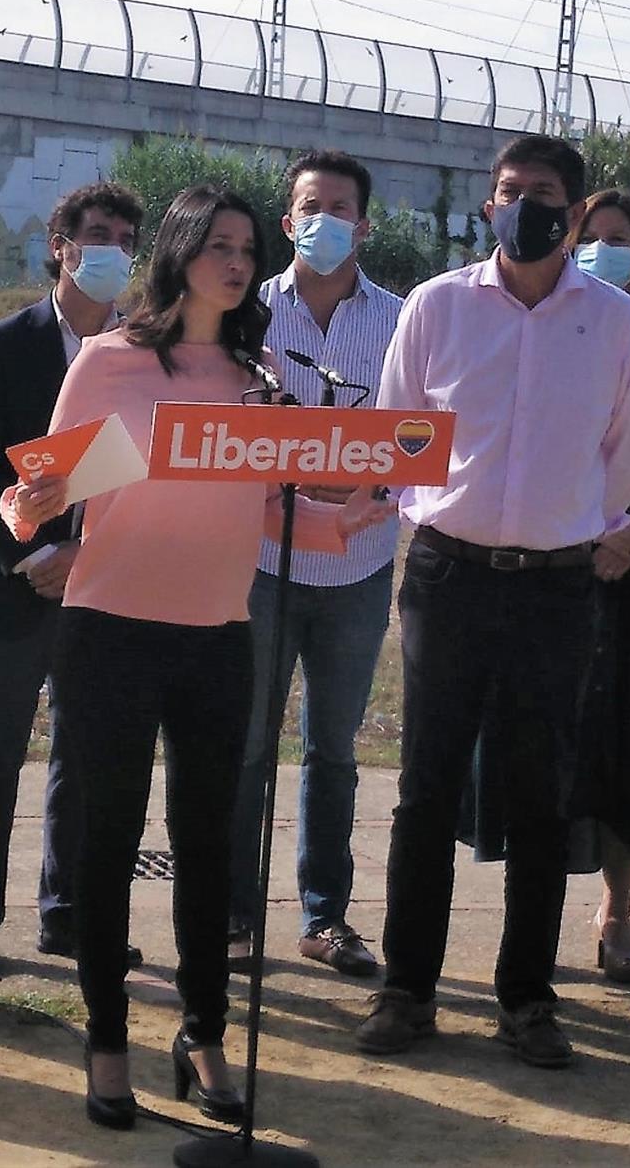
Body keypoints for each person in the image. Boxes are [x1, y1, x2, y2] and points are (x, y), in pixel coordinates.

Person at [1, 186, 393, 1131]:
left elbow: (262, 510)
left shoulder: (257, 380)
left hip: (219, 633)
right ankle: (104, 1036)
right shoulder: (108, 360)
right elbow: (40, 491)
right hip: (110, 630)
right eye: (219, 245)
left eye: (248, 250)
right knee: (108, 838)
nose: (236, 262)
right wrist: (38, 505)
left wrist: (337, 519)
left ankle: (204, 1033)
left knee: (211, 845)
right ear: (179, 253)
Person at [361, 134, 630, 1069]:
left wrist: (573, 523)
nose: (521, 204)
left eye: (542, 194)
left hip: (557, 587)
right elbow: (398, 428)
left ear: (573, 214)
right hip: (448, 577)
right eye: (507, 191)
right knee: (427, 787)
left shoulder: (612, 321)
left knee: (539, 795)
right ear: (488, 204)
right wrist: (438, 516)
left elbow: (629, 449)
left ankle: (527, 998)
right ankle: (408, 990)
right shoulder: (438, 305)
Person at [464, 189, 630, 984]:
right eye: (592, 237)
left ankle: (617, 911)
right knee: (546, 737)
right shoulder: (552, 333)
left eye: (622, 239)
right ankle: (531, 922)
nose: (604, 251)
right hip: (559, 567)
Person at [0, 182, 145, 973]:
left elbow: (146, 467)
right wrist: (30, 555)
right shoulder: (4, 342)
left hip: (105, 586)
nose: (112, 249)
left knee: (87, 762)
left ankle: (69, 915)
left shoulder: (140, 351)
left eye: (126, 237)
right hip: (15, 584)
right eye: (97, 233)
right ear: (59, 245)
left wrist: (89, 554)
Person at [228, 149, 404, 979]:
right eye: (310, 206)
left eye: (342, 207)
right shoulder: (247, 314)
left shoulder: (403, 321)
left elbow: (416, 437)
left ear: (365, 225)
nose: (325, 220)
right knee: (246, 745)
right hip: (260, 563)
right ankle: (231, 915)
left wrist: (348, 486)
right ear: (287, 218)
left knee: (332, 752)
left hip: (359, 572)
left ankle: (325, 917)